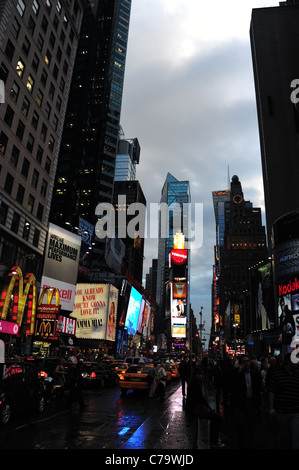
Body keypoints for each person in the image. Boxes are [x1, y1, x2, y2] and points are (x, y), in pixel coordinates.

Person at [185, 366, 225, 449]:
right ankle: (214, 440)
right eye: (198, 374)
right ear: (194, 375)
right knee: (217, 419)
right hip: (198, 410)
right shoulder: (194, 385)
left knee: (215, 419)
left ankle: (214, 439)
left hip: (198, 409)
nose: (200, 376)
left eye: (201, 374)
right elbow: (197, 400)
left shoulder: (196, 384)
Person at [230, 354, 262, 448]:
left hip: (251, 402)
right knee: (240, 425)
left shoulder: (254, 373)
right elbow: (231, 384)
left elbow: (257, 387)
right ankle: (241, 442)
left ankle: (249, 442)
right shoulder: (236, 373)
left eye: (247, 361)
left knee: (251, 424)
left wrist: (258, 404)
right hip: (240, 403)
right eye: (244, 361)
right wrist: (239, 371)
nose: (246, 363)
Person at [268, 353, 299, 449]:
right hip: (282, 411)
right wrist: (272, 407)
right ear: (289, 362)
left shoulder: (298, 374)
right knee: (284, 437)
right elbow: (272, 391)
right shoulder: (278, 374)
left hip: (296, 411)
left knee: (296, 437)